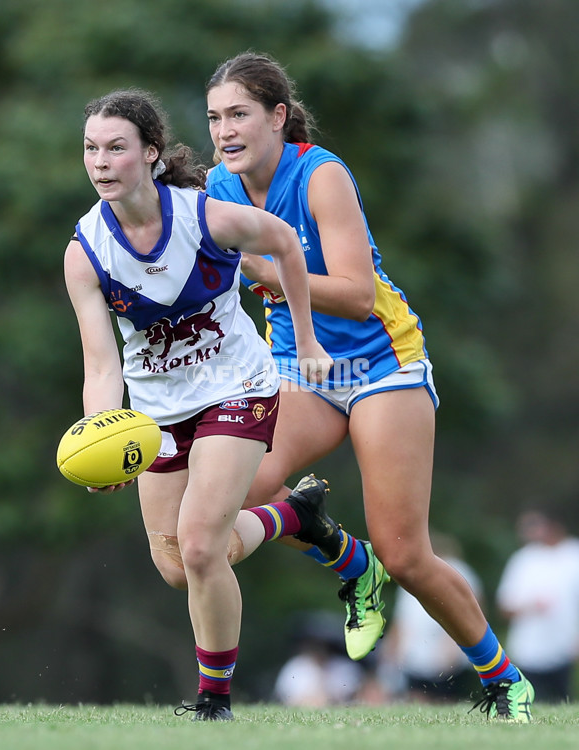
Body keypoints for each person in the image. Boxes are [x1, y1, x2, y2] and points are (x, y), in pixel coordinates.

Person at [204, 51, 535, 722]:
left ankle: (506, 682)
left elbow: (356, 297)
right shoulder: (218, 184)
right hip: (302, 370)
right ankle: (346, 559)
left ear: (277, 116)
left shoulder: (321, 174)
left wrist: (262, 269)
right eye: (214, 118)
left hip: (383, 367)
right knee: (239, 493)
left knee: (407, 553)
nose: (225, 130)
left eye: (239, 113)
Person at [64, 88, 346, 721]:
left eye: (116, 148)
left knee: (199, 547)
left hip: (237, 390)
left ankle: (213, 701)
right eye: (91, 149)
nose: (101, 162)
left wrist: (305, 341)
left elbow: (286, 245)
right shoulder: (85, 252)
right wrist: (100, 434)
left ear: (152, 155)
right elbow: (102, 363)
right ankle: (293, 517)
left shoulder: (205, 217)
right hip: (157, 413)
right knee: (175, 566)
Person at [378, 531, 483, 704]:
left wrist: (454, 647)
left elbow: (471, 610)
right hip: (414, 653)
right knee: (417, 697)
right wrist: (391, 647)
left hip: (444, 651)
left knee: (445, 698)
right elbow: (403, 618)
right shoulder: (410, 573)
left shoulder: (457, 571)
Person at [496, 507, 579, 703]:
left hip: (564, 648)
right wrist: (530, 607)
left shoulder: (573, 554)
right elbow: (505, 607)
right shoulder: (522, 559)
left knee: (563, 699)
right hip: (528, 650)